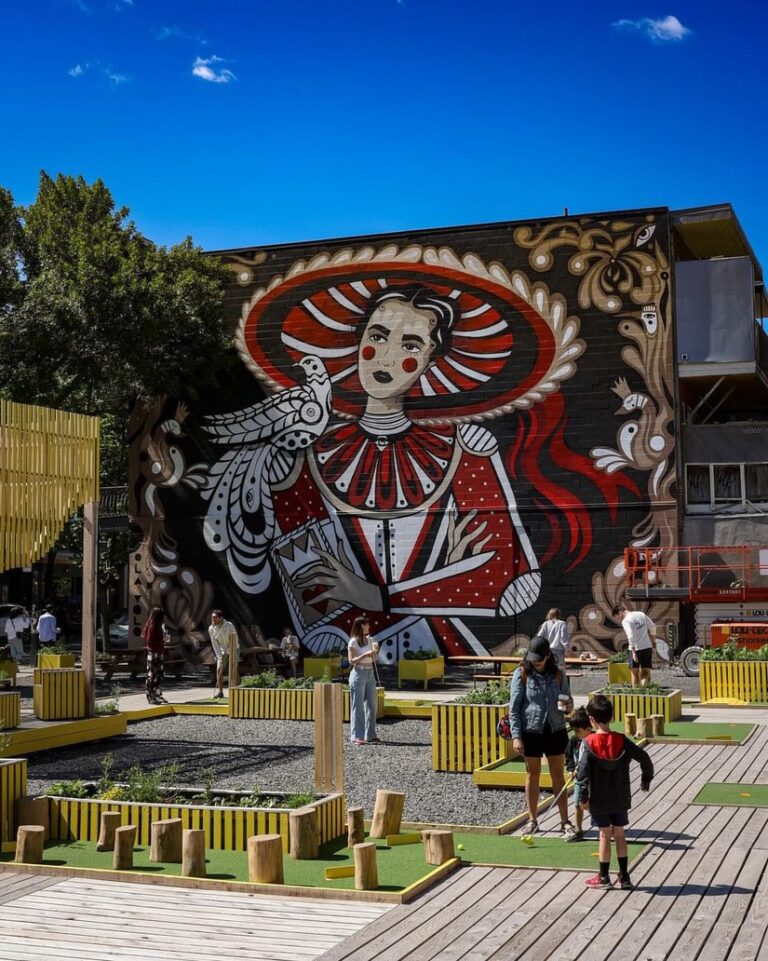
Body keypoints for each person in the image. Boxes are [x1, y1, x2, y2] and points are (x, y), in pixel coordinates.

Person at [578, 693, 654, 889]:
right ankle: (625, 877)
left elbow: (582, 774)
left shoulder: (588, 743)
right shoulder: (622, 740)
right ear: (611, 717)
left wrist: (582, 798)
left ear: (591, 719)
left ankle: (604, 877)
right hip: (620, 797)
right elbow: (645, 759)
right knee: (620, 833)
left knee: (604, 834)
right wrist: (645, 779)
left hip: (599, 799)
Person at [509, 634, 574, 837]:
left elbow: (567, 701)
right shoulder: (521, 674)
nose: (535, 662)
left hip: (555, 728)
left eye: (539, 659)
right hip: (531, 730)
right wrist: (516, 736)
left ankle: (565, 821)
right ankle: (532, 819)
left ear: (547, 656)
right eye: (532, 658)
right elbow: (514, 708)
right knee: (533, 774)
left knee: (558, 775)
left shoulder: (559, 674)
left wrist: (568, 706)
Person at [347, 615, 380, 746]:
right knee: (358, 705)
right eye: (367, 624)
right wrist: (365, 654)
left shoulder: (370, 640)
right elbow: (351, 660)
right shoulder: (353, 641)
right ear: (362, 625)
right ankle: (357, 735)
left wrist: (375, 652)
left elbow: (374, 659)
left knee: (372, 705)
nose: (369, 626)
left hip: (370, 672)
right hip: (358, 673)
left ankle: (370, 734)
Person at [564, 706, 593, 842]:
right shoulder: (574, 740)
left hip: (593, 779)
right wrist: (571, 769)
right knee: (578, 804)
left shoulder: (594, 740)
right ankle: (578, 829)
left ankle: (605, 828)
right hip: (579, 779)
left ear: (588, 729)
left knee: (595, 804)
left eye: (578, 731)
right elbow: (569, 756)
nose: (575, 733)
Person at [613, 603, 657, 688]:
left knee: (634, 673)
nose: (619, 619)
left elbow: (630, 636)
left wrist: (633, 651)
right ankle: (644, 689)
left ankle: (636, 693)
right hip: (647, 646)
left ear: (620, 612)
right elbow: (653, 626)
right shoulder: (641, 614)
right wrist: (653, 642)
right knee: (645, 672)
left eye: (618, 617)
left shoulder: (626, 620)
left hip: (635, 649)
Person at [141, 606, 169, 704]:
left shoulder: (160, 626)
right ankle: (150, 695)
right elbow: (150, 641)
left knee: (159, 675)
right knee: (152, 675)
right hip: (153, 653)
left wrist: (164, 638)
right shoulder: (152, 627)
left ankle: (157, 693)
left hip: (159, 652)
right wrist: (163, 639)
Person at [209, 609, 239, 699]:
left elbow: (235, 639)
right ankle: (220, 692)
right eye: (212, 617)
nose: (213, 619)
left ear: (221, 618)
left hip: (234, 648)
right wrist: (219, 655)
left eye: (215, 617)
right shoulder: (211, 628)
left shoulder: (229, 625)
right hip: (222, 651)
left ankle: (237, 690)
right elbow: (214, 643)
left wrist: (229, 651)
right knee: (219, 670)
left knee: (233, 670)